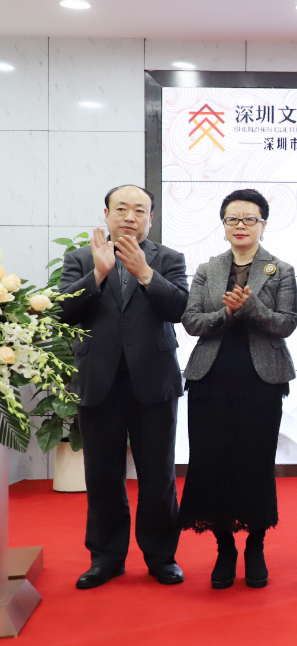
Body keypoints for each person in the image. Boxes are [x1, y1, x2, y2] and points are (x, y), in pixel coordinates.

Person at [60, 185, 189, 589]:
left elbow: (181, 309)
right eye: (121, 209)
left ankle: (161, 557)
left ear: (151, 218)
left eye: (139, 210)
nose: (129, 217)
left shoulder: (168, 258)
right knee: (102, 475)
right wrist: (98, 273)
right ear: (106, 214)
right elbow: (62, 311)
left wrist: (145, 274)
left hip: (153, 381)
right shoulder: (80, 258)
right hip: (98, 381)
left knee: (158, 475)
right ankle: (106, 558)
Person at [179, 189, 297, 589]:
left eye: (250, 219)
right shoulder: (207, 269)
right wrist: (226, 312)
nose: (241, 226)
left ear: (264, 223)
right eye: (233, 219)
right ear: (224, 225)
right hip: (210, 380)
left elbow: (286, 323)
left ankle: (256, 545)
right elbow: (192, 322)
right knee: (211, 463)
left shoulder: (280, 270)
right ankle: (225, 547)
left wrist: (250, 308)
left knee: (254, 464)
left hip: (260, 382)